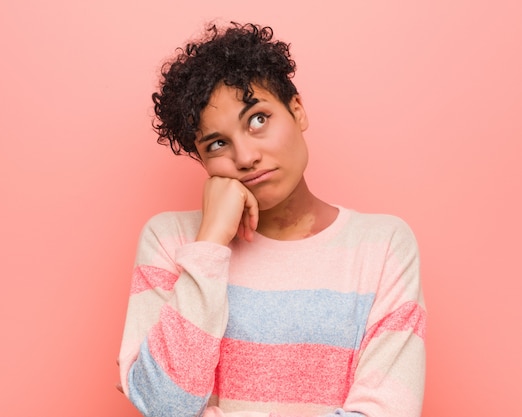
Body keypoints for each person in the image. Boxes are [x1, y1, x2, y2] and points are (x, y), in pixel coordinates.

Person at [117, 21, 426, 417]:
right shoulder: (170, 240)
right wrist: (209, 243)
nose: (245, 157)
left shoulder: (383, 245)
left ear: (297, 110)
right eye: (217, 143)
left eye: (258, 120)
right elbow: (163, 405)